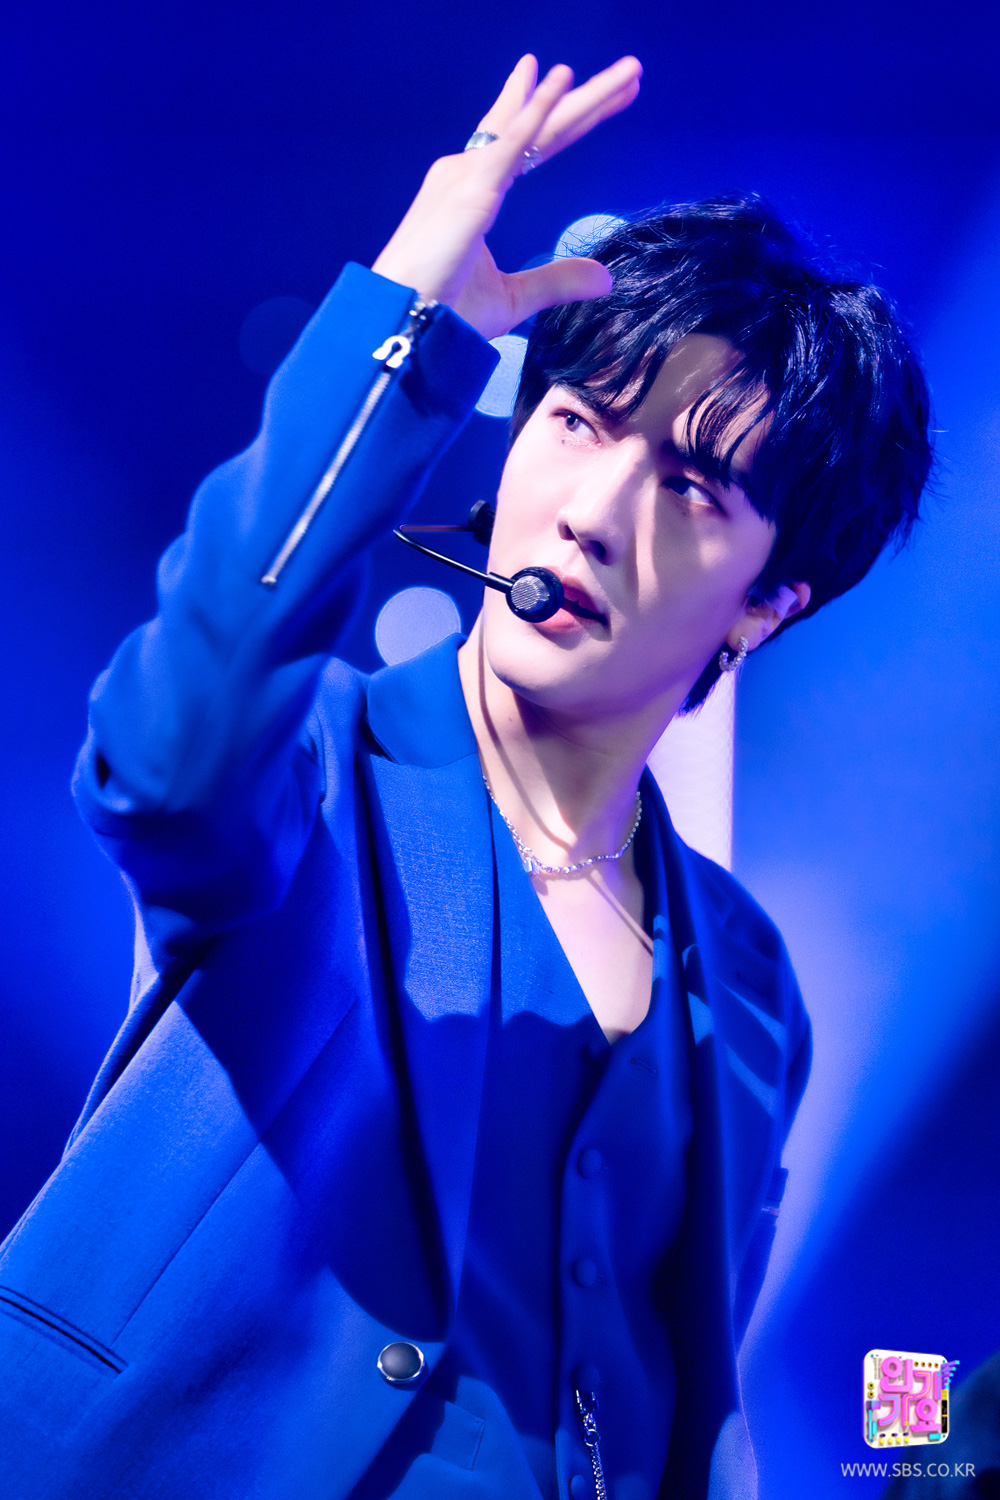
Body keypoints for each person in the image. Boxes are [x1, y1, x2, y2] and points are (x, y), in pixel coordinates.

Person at [0, 52, 931, 1500]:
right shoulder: (320, 764)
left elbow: (688, 1394)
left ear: (767, 602)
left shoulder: (749, 984)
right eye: (578, 422)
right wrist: (404, 319)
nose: (596, 511)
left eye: (689, 486)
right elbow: (165, 763)